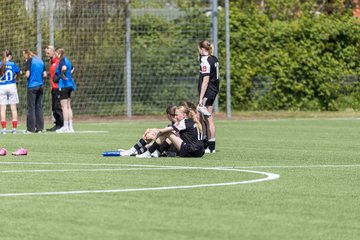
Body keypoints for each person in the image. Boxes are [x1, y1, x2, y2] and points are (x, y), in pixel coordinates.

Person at [136, 105, 204, 158]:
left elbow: (164, 131)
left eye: (177, 115)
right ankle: (156, 152)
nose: (175, 117)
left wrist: (152, 131)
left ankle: (149, 153)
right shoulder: (192, 122)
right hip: (200, 152)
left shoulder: (183, 122)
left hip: (190, 151)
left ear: (184, 115)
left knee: (167, 133)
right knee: (170, 133)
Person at [197, 40, 220, 153]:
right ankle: (206, 143)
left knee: (208, 118)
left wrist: (201, 98)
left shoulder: (205, 61)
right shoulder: (213, 58)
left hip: (208, 92)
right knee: (202, 118)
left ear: (202, 49)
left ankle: (211, 146)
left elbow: (205, 81)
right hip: (213, 90)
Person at [23, 49, 46, 133]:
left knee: (31, 108)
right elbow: (45, 74)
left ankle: (30, 129)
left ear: (27, 55)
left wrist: (26, 75)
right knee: (39, 107)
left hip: (32, 86)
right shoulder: (40, 61)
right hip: (40, 86)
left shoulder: (29, 61)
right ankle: (40, 128)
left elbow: (27, 74)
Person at [54, 48, 76, 133]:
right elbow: (72, 68)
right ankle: (71, 127)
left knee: (64, 106)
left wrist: (62, 75)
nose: (55, 55)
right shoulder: (68, 60)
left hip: (64, 85)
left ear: (59, 54)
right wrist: (69, 75)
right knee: (68, 106)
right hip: (70, 85)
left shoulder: (62, 61)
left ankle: (65, 126)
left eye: (56, 53)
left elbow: (63, 68)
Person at [0, 49, 21, 134]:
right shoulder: (12, 64)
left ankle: (4, 129)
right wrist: (16, 78)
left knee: (2, 109)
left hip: (2, 86)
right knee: (13, 108)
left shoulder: (0, 64)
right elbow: (19, 72)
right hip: (11, 85)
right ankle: (14, 129)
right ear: (10, 56)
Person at [45, 45, 63, 131]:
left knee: (58, 107)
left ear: (54, 51)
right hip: (53, 88)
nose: (46, 50)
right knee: (54, 107)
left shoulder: (58, 61)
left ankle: (62, 125)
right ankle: (57, 124)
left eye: (48, 48)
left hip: (58, 87)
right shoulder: (51, 62)